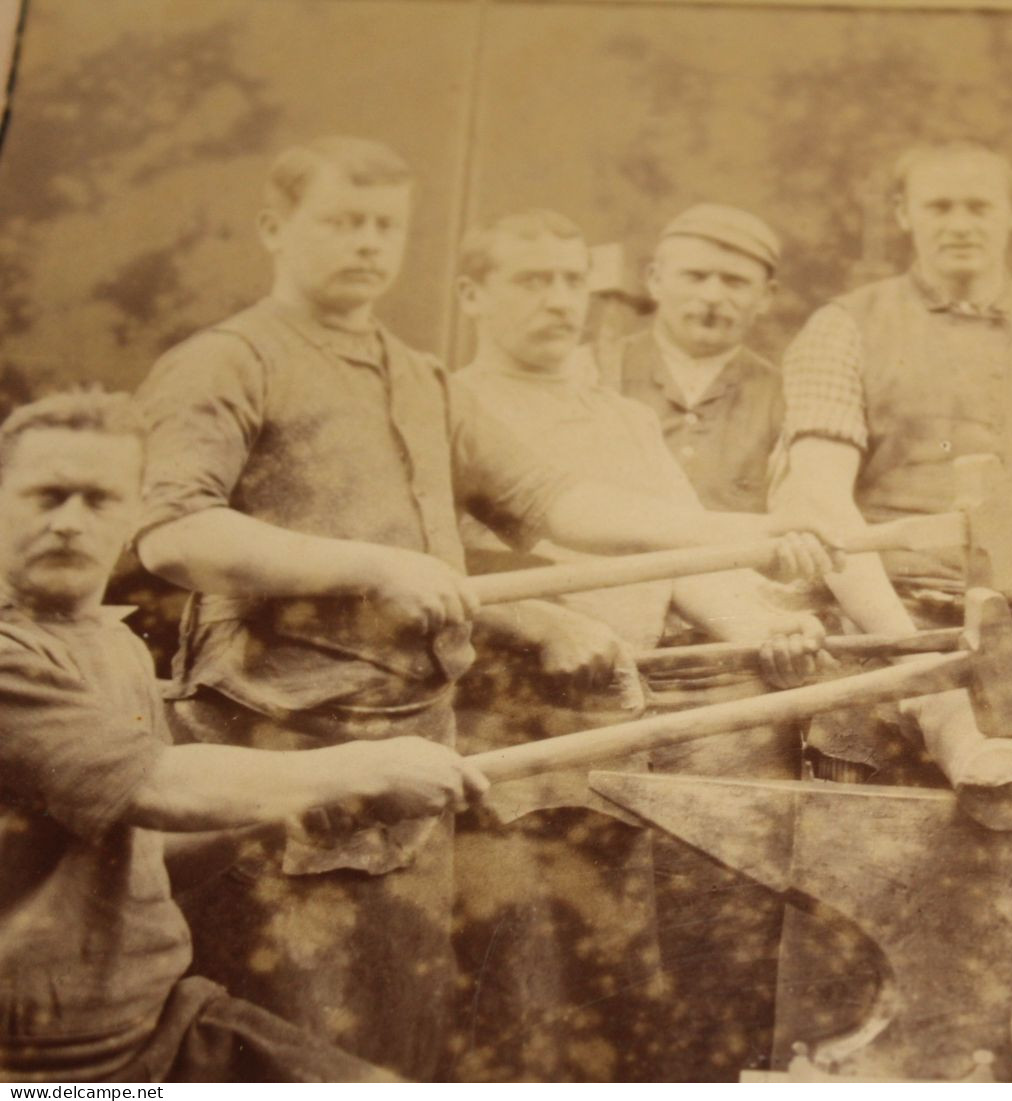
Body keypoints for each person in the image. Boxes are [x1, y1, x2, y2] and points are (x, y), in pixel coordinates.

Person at [133, 136, 834, 1078]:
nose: (368, 243)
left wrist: (742, 528)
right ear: (275, 229)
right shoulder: (226, 361)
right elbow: (174, 536)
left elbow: (555, 504)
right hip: (278, 751)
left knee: (405, 1040)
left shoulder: (414, 375)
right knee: (292, 1041)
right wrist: (373, 567)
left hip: (413, 751)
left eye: (385, 225)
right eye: (342, 221)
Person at [0, 391, 490, 1083]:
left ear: (136, 515)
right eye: (46, 496)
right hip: (35, 1067)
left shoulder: (112, 644)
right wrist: (359, 767)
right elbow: (156, 787)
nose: (70, 523)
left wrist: (277, 813)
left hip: (157, 1021)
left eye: (99, 499)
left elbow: (148, 863)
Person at [448, 208, 826, 1081]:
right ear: (472, 295)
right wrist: (548, 623)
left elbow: (686, 551)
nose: (558, 301)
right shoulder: (445, 403)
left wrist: (759, 625)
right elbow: (439, 557)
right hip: (499, 727)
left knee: (619, 975)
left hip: (617, 721)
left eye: (571, 282)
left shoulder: (623, 419)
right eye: (531, 282)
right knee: (514, 977)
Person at [774, 139, 1012, 782]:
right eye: (939, 206)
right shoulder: (842, 327)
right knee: (853, 858)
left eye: (979, 205)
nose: (960, 224)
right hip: (881, 641)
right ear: (904, 214)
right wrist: (907, 650)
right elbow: (823, 504)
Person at [589, 203, 784, 512]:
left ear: (766, 297)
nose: (712, 297)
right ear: (655, 280)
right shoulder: (590, 371)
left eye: (735, 282)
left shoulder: (784, 399)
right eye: (695, 276)